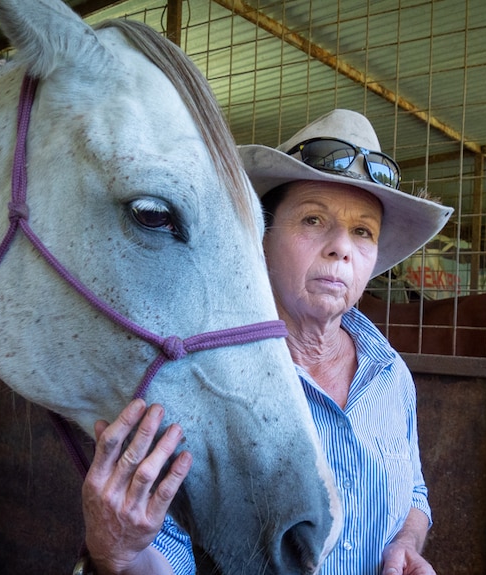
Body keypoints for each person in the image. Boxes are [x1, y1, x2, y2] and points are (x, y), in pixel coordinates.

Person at [81, 109, 453, 575]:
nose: (342, 246)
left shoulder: (389, 374)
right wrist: (120, 554)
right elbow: (166, 556)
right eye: (314, 220)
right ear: (259, 238)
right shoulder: (204, 387)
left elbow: (414, 494)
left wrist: (406, 544)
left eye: (363, 231)